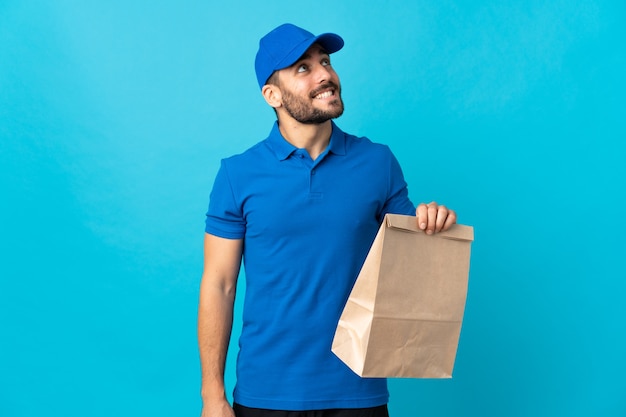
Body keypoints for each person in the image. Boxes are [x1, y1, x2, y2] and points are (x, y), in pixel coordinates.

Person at [198, 23, 457, 417]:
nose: (325, 75)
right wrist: (212, 396)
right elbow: (220, 285)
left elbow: (414, 259)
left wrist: (433, 221)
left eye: (325, 62)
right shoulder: (237, 174)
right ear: (272, 95)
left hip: (358, 393)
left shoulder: (377, 163)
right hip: (265, 394)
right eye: (303, 68)